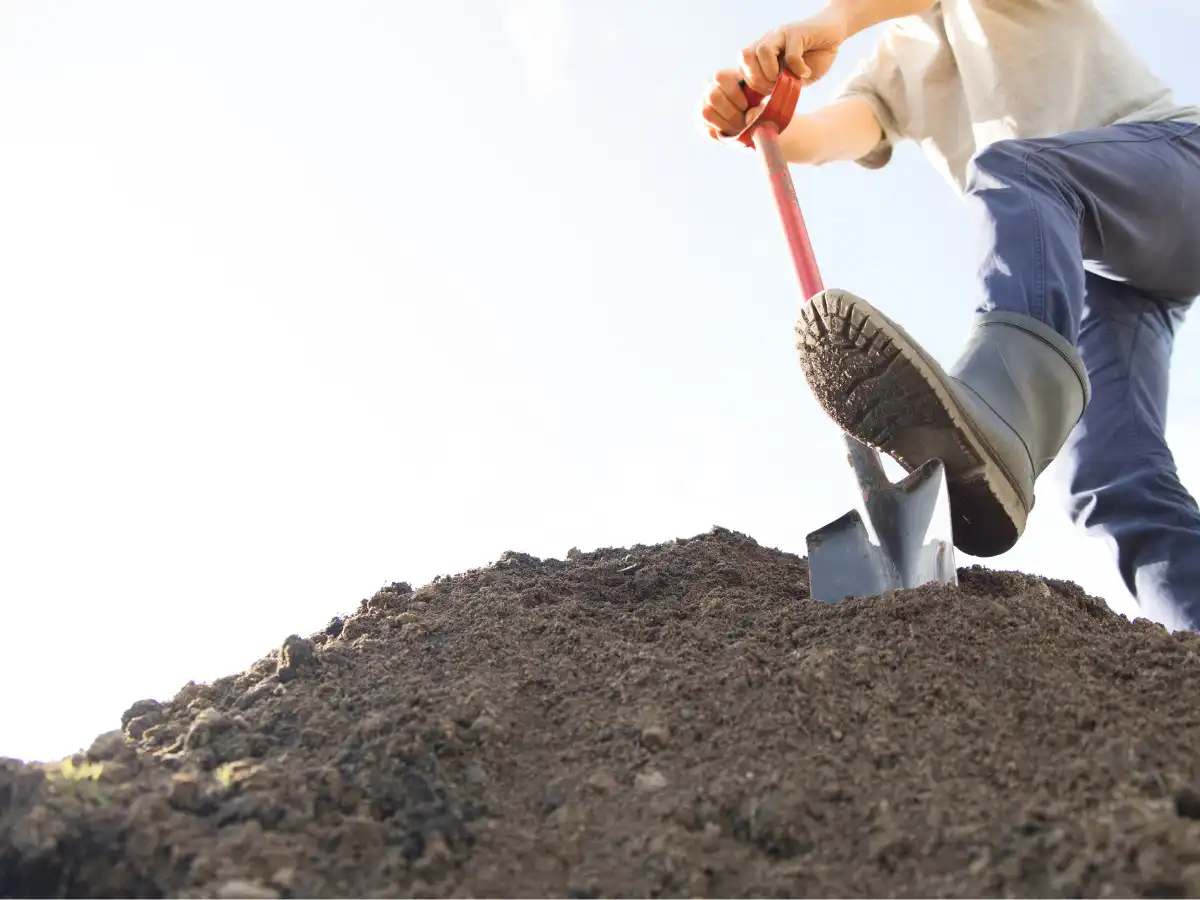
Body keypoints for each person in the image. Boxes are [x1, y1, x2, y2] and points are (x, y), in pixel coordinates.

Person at [700, 0, 1200, 630]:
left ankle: (1003, 410)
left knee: (1016, 170)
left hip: (1179, 170)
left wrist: (836, 23)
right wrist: (763, 118)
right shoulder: (898, 64)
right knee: (1112, 479)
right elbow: (832, 132)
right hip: (1108, 279)